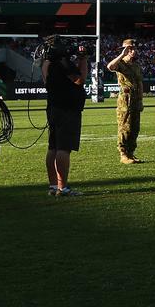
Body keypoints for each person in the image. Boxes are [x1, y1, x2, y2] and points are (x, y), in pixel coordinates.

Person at [43, 38, 89, 197]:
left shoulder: (47, 64)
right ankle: (62, 188)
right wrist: (83, 60)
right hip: (67, 109)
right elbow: (80, 80)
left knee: (53, 147)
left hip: (54, 107)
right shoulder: (62, 63)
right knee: (63, 148)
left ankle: (53, 185)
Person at [106, 38, 143, 164]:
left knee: (135, 127)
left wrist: (141, 100)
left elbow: (140, 82)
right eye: (130, 49)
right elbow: (110, 66)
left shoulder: (136, 65)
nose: (133, 51)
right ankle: (123, 154)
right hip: (125, 99)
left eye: (134, 49)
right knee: (124, 126)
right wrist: (122, 54)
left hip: (135, 97)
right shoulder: (120, 63)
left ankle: (131, 153)